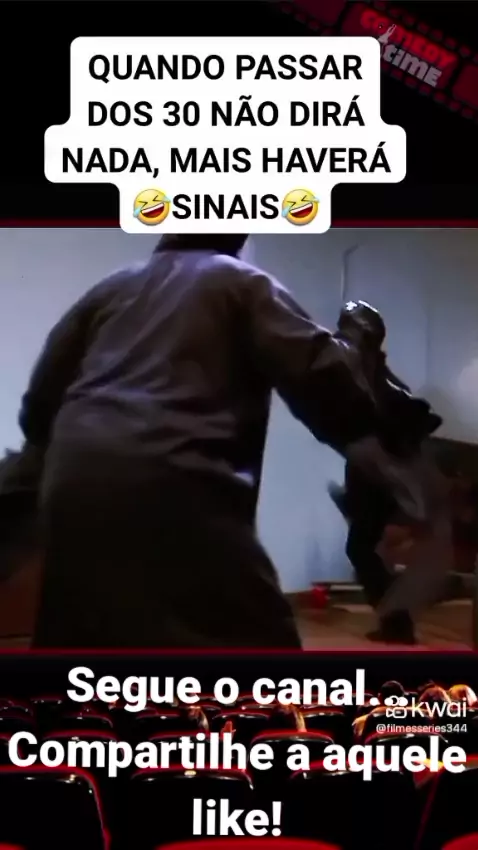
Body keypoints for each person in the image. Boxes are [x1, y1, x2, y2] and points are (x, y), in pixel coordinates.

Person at [19, 234, 380, 649]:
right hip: (181, 481)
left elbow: (40, 407)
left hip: (74, 484)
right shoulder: (242, 283)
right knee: (256, 642)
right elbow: (334, 389)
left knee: (83, 635)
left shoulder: (111, 288)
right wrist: (358, 337)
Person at [328, 300, 444, 645]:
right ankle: (397, 620)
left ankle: (397, 622)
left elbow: (410, 415)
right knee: (364, 548)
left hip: (380, 478)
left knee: (361, 548)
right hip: (371, 476)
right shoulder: (364, 371)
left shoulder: (376, 376)